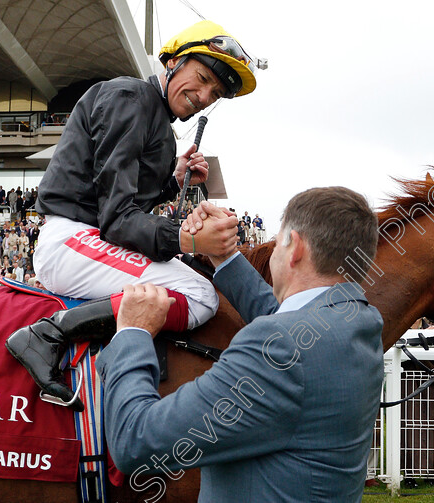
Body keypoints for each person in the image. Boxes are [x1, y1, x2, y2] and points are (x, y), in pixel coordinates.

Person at [6, 20, 262, 406]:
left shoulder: (150, 111)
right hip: (71, 240)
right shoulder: (131, 97)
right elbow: (117, 219)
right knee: (199, 294)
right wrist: (189, 239)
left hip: (87, 237)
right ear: (173, 60)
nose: (206, 96)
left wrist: (175, 180)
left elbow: (124, 199)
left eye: (216, 93)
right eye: (203, 77)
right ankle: (48, 334)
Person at [96, 187, 382, 501]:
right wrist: (225, 256)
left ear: (295, 247)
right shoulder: (358, 320)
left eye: (277, 240)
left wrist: (132, 334)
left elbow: (136, 442)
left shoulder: (280, 348)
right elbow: (294, 327)